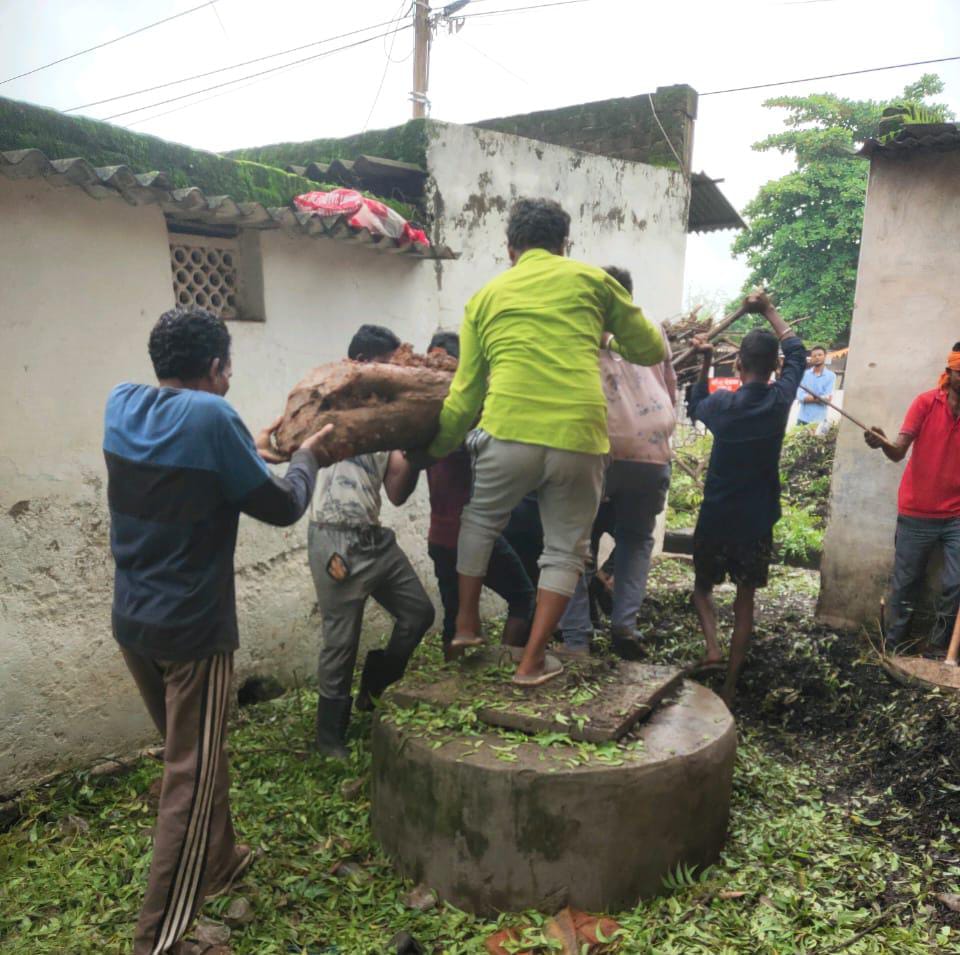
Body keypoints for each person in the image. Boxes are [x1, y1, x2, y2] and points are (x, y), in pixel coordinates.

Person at [104, 306, 335, 955]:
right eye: (229, 369)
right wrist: (309, 457)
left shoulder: (123, 404)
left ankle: (224, 856)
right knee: (189, 772)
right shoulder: (213, 418)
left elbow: (204, 461)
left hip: (134, 623)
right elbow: (285, 505)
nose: (230, 380)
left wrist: (253, 449)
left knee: (196, 756)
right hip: (192, 632)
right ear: (216, 367)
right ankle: (160, 937)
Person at [416, 197, 666, 687]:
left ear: (510, 249)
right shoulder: (593, 281)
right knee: (564, 550)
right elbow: (650, 347)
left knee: (480, 520)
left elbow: (465, 397)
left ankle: (465, 627)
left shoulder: (485, 298)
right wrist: (608, 340)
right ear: (564, 244)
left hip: (507, 432)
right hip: (578, 437)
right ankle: (531, 663)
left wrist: (437, 445)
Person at [309, 324, 434, 759]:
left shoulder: (389, 421)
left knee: (418, 613)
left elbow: (397, 492)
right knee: (341, 643)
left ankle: (377, 680)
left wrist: (418, 450)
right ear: (360, 365)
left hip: (374, 540)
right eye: (387, 367)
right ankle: (329, 738)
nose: (395, 375)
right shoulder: (332, 405)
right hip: (335, 541)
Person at [688, 291, 806, 705]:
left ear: (737, 364)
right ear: (773, 367)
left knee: (702, 590)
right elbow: (797, 352)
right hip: (756, 520)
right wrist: (770, 308)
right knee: (744, 601)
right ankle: (731, 685)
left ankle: (712, 648)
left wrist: (703, 361)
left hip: (717, 515)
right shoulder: (778, 401)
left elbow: (695, 402)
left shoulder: (723, 405)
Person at [559, 266, 677, 658]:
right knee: (637, 540)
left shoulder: (579, 330)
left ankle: (577, 637)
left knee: (573, 544)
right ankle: (625, 625)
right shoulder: (652, 329)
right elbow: (670, 389)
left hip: (598, 450)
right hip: (651, 451)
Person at [422, 331, 536, 658]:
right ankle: (501, 665)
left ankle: (449, 684)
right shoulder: (473, 415)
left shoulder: (430, 419)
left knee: (454, 618)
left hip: (439, 535)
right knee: (523, 596)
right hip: (471, 532)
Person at [864, 344, 960, 653]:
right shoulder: (925, 403)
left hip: (957, 515)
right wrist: (882, 443)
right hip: (917, 512)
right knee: (905, 584)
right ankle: (894, 646)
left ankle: (938, 649)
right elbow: (897, 452)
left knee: (954, 585)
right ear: (950, 374)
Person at [796, 345, 836, 431]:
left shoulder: (831, 376)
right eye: (814, 356)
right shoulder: (804, 374)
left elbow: (827, 399)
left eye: (820, 355)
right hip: (803, 418)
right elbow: (799, 396)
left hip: (819, 421)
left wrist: (808, 397)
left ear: (825, 356)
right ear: (811, 358)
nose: (817, 357)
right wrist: (820, 398)